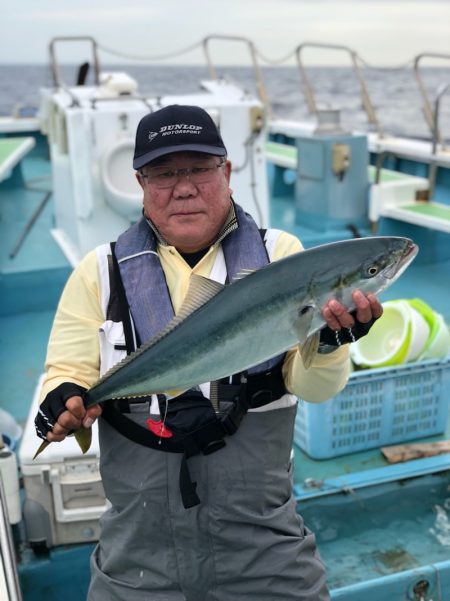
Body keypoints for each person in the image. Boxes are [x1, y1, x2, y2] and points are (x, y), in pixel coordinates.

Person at [34, 104, 382, 601]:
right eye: (164, 173)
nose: (184, 187)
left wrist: (326, 345)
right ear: (140, 182)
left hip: (263, 547)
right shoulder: (100, 271)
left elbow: (315, 389)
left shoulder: (280, 256)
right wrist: (64, 395)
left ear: (228, 171)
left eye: (199, 168)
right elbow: (65, 369)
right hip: (137, 556)